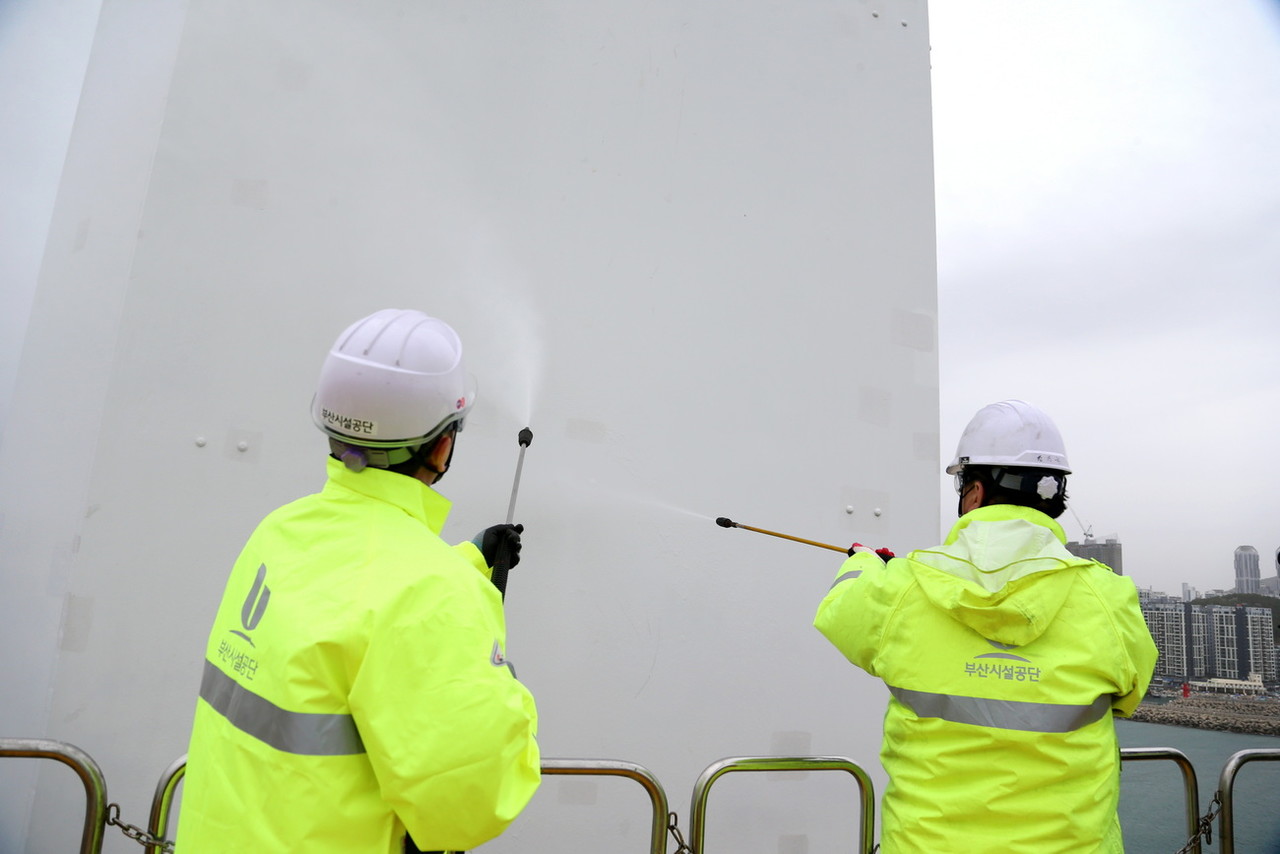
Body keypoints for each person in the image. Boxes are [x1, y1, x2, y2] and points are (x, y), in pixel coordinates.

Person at [176, 309, 540, 853]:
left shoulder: (279, 532)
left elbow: (352, 605)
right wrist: (494, 678)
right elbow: (472, 804)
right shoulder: (435, 594)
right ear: (442, 446)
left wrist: (466, 564)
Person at [814, 399, 1157, 853]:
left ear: (974, 492)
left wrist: (863, 563)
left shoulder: (904, 585)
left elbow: (840, 611)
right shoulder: (1108, 597)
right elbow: (1130, 695)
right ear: (1053, 496)